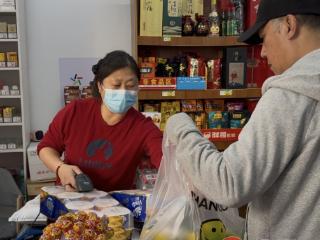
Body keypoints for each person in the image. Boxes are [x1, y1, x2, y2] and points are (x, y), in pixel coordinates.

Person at [165, 0, 320, 239]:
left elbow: (228, 182)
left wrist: (180, 126)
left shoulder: (291, 94)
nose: (263, 52)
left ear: (289, 25)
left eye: (264, 37)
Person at [38, 50, 162, 192]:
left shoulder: (143, 127)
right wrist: (59, 168)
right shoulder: (75, 111)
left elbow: (165, 159)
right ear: (100, 86)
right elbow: (46, 147)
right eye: (116, 85)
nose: (123, 91)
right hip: (71, 199)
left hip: (116, 208)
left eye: (130, 85)